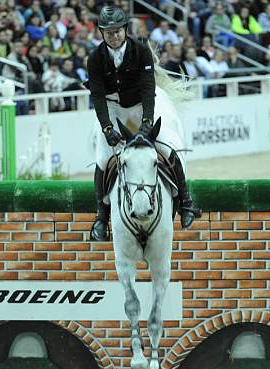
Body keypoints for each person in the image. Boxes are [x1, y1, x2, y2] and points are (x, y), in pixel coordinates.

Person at [86, 5, 200, 241]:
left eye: (117, 31)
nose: (114, 36)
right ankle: (101, 217)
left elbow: (149, 89)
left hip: (140, 105)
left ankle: (186, 203)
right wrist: (107, 128)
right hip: (112, 107)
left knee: (166, 147)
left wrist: (148, 121)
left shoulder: (140, 51)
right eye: (108, 32)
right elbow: (97, 96)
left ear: (125, 30)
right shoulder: (95, 58)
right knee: (103, 158)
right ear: (101, 33)